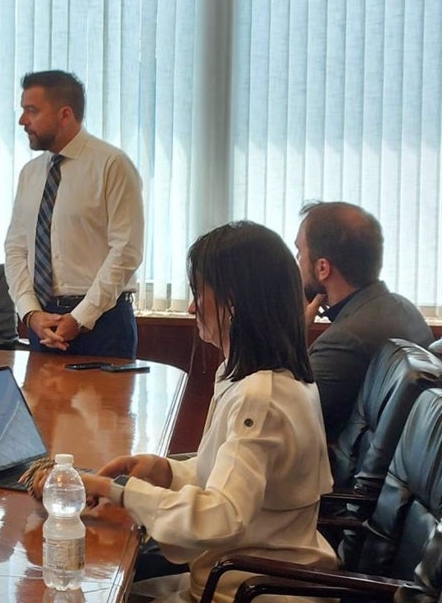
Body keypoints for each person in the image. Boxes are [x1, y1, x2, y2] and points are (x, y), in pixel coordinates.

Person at [35, 221, 335, 603]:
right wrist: (165, 471)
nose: (193, 306)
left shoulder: (261, 396)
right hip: (245, 577)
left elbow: (223, 515)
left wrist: (118, 491)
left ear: (234, 301)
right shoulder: (264, 378)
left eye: (198, 293)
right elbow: (232, 478)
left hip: (248, 590)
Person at [3, 70, 144, 359]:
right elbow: (16, 249)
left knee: (103, 407)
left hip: (103, 323)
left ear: (65, 115)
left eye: (31, 111)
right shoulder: (30, 174)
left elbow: (126, 251)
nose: (22, 121)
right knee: (39, 406)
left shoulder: (112, 165)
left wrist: (80, 318)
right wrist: (30, 312)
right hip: (43, 324)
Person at [296, 201, 433, 443]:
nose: (297, 262)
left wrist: (292, 332)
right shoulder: (404, 309)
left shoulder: (345, 340)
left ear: (323, 268)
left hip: (337, 478)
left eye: (300, 252)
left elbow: (279, 418)